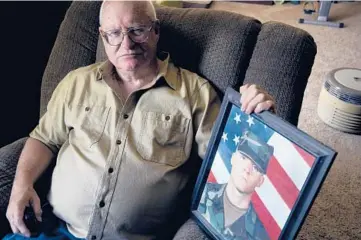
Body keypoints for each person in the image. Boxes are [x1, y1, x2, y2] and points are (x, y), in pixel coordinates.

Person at [4, 1, 276, 240]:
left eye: (137, 30)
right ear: (102, 37)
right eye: (113, 33)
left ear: (155, 31)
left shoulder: (195, 94)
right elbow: (44, 138)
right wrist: (21, 185)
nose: (127, 44)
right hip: (56, 230)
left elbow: (230, 160)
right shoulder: (77, 82)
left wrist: (259, 115)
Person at [199, 131, 274, 240]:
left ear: (260, 181)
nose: (247, 169)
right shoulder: (203, 192)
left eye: (256, 167)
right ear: (233, 158)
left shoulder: (259, 235)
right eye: (243, 158)